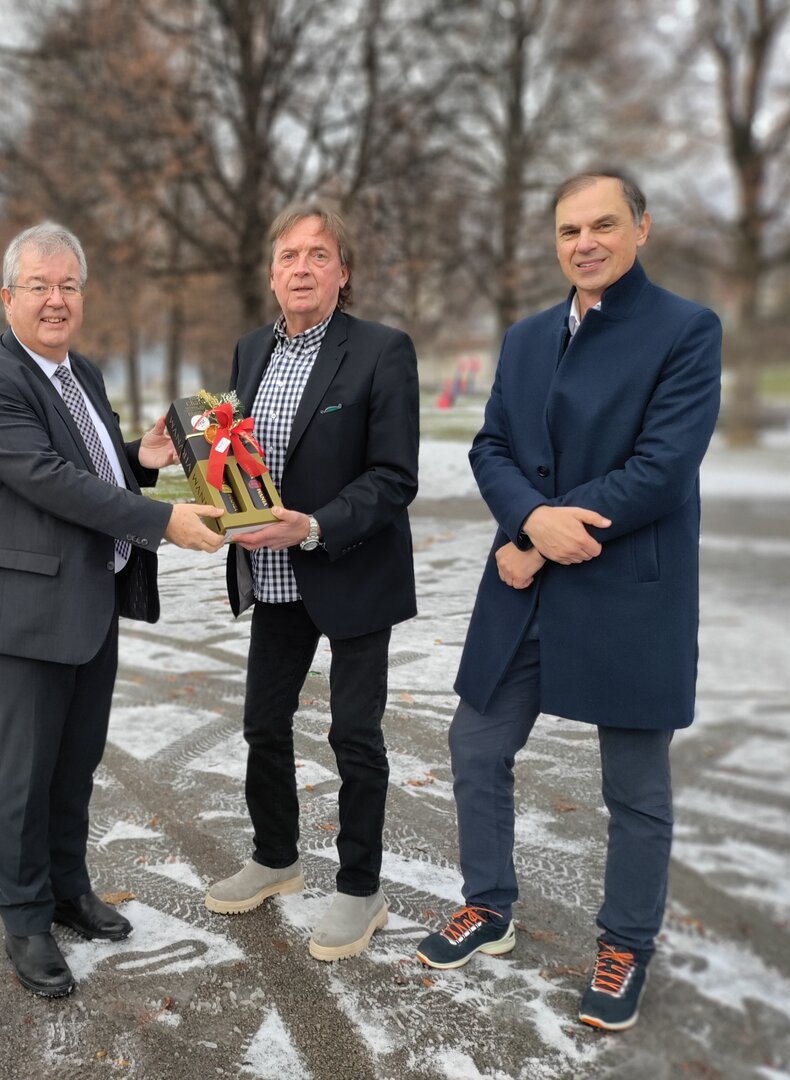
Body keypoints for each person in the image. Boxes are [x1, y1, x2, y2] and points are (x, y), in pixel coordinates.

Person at [415, 170, 722, 1033]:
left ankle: (626, 944)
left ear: (641, 228)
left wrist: (546, 532)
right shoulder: (524, 338)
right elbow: (490, 447)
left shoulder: (686, 330)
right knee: (475, 745)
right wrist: (528, 522)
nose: (585, 243)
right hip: (525, 581)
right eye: (568, 231)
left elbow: (663, 468)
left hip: (626, 589)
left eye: (603, 225)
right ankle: (488, 904)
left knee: (634, 787)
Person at [0, 223, 223, 997]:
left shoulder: (83, 373)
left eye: (68, 285)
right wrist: (164, 520)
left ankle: (67, 890)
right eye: (39, 286)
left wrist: (142, 459)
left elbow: (92, 468)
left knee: (75, 764)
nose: (55, 300)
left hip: (85, 601)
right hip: (21, 612)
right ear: (8, 296)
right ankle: (25, 918)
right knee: (26, 773)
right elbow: (49, 479)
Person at [201, 202, 420, 963]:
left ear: (342, 273)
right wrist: (221, 503)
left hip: (350, 569)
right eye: (289, 255)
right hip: (272, 575)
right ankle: (275, 857)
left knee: (353, 735)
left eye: (318, 255)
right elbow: (239, 456)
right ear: (271, 274)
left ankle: (360, 889)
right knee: (263, 725)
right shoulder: (250, 350)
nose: (301, 268)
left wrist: (316, 524)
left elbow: (394, 476)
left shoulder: (383, 351)